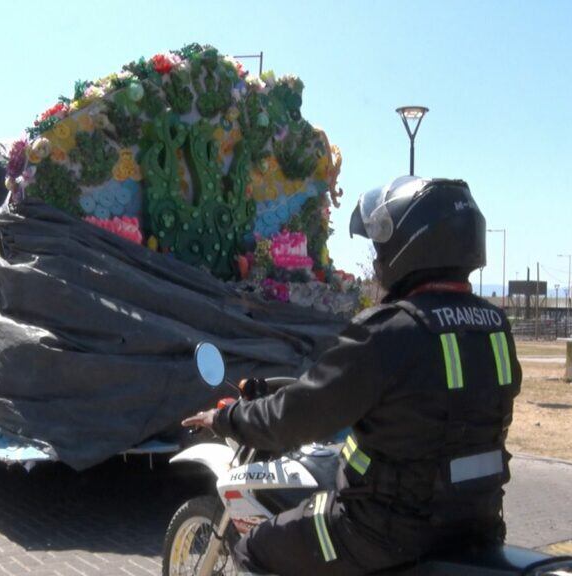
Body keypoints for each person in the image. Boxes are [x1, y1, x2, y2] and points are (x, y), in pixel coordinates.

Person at [183, 176, 522, 575]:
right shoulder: (494, 327)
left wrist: (228, 419)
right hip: (475, 524)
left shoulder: (390, 331)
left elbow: (299, 414)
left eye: (381, 247)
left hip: (382, 533)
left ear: (412, 247)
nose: (378, 259)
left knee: (255, 547)